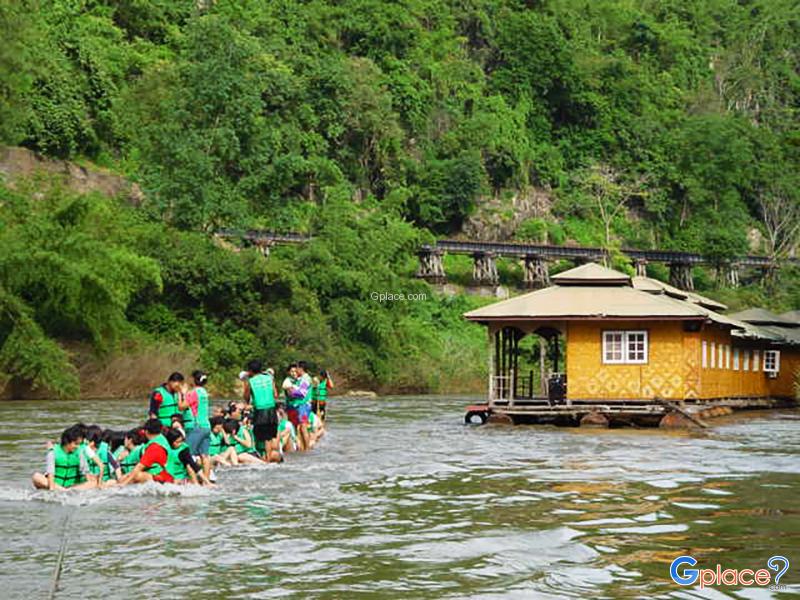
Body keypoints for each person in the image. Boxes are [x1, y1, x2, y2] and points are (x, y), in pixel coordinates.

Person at [32, 425, 95, 491]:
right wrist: (52, 489)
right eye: (76, 444)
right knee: (36, 477)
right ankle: (64, 490)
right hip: (56, 485)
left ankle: (66, 490)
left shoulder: (79, 452)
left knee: (93, 482)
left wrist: (89, 483)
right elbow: (50, 473)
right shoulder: (53, 452)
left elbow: (85, 471)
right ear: (67, 442)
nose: (77, 446)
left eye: (79, 444)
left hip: (73, 486)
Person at [118, 419, 174, 485]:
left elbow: (139, 467)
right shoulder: (162, 439)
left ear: (146, 431)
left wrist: (123, 484)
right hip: (165, 474)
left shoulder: (154, 447)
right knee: (125, 477)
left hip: (163, 477)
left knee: (135, 476)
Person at [243, 360, 278, 460]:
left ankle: (266, 458)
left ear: (250, 371)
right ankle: (269, 456)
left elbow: (246, 397)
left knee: (262, 436)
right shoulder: (269, 378)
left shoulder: (251, 381)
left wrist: (249, 402)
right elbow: (275, 394)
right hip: (271, 409)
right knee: (270, 437)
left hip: (260, 411)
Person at [181, 370, 212, 481]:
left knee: (187, 455)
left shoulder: (193, 393)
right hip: (206, 426)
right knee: (205, 455)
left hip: (196, 426)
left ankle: (193, 481)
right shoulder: (204, 392)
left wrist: (183, 393)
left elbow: (182, 406)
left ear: (194, 380)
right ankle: (206, 480)